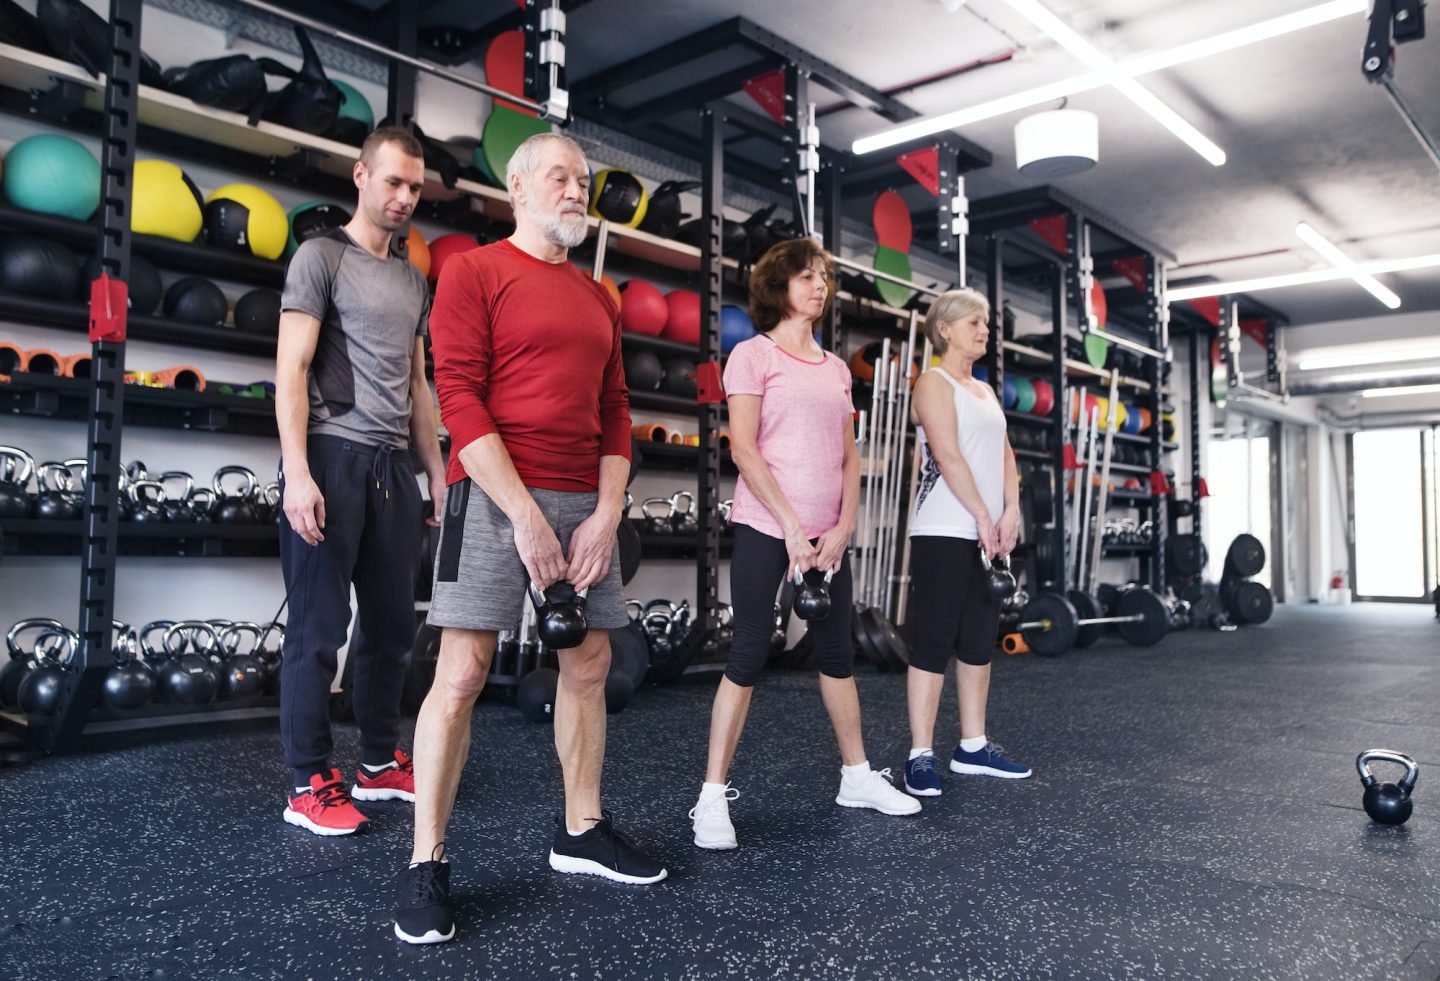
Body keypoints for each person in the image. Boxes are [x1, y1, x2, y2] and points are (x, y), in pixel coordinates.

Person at [394, 133, 665, 946]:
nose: (579, 189)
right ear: (517, 186)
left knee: (590, 661)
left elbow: (616, 412)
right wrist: (522, 514)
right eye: (562, 176)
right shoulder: (472, 272)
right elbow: (460, 398)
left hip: (585, 498)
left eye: (585, 179)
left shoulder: (599, 297)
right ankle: (426, 859)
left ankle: (581, 829)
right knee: (463, 670)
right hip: (490, 488)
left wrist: (608, 510)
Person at [688, 237, 921, 853]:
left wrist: (845, 524)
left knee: (838, 656)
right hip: (770, 529)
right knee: (746, 656)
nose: (819, 285)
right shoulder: (751, 355)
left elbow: (848, 456)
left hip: (828, 538)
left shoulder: (839, 368)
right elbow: (743, 447)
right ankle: (711, 797)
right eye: (806, 276)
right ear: (777, 286)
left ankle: (856, 777)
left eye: (824, 277)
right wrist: (792, 524)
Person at [274, 125, 445, 835]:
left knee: (390, 627)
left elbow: (417, 382)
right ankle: (308, 780)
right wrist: (297, 473)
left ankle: (377, 760)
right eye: (393, 181)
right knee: (318, 628)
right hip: (332, 455)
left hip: (392, 468)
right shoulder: (321, 258)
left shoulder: (413, 279)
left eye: (414, 186)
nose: (404, 197)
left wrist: (436, 469)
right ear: (361, 176)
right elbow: (290, 368)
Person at [900, 288, 1031, 798]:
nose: (984, 330)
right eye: (974, 322)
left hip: (988, 530)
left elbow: (1004, 457)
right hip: (943, 528)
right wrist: (982, 513)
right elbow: (948, 455)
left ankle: (972, 745)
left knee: (979, 640)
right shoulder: (932, 383)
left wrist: (1010, 510)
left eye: (986, 323)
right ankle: (920, 755)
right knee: (934, 640)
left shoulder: (985, 390)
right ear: (945, 329)